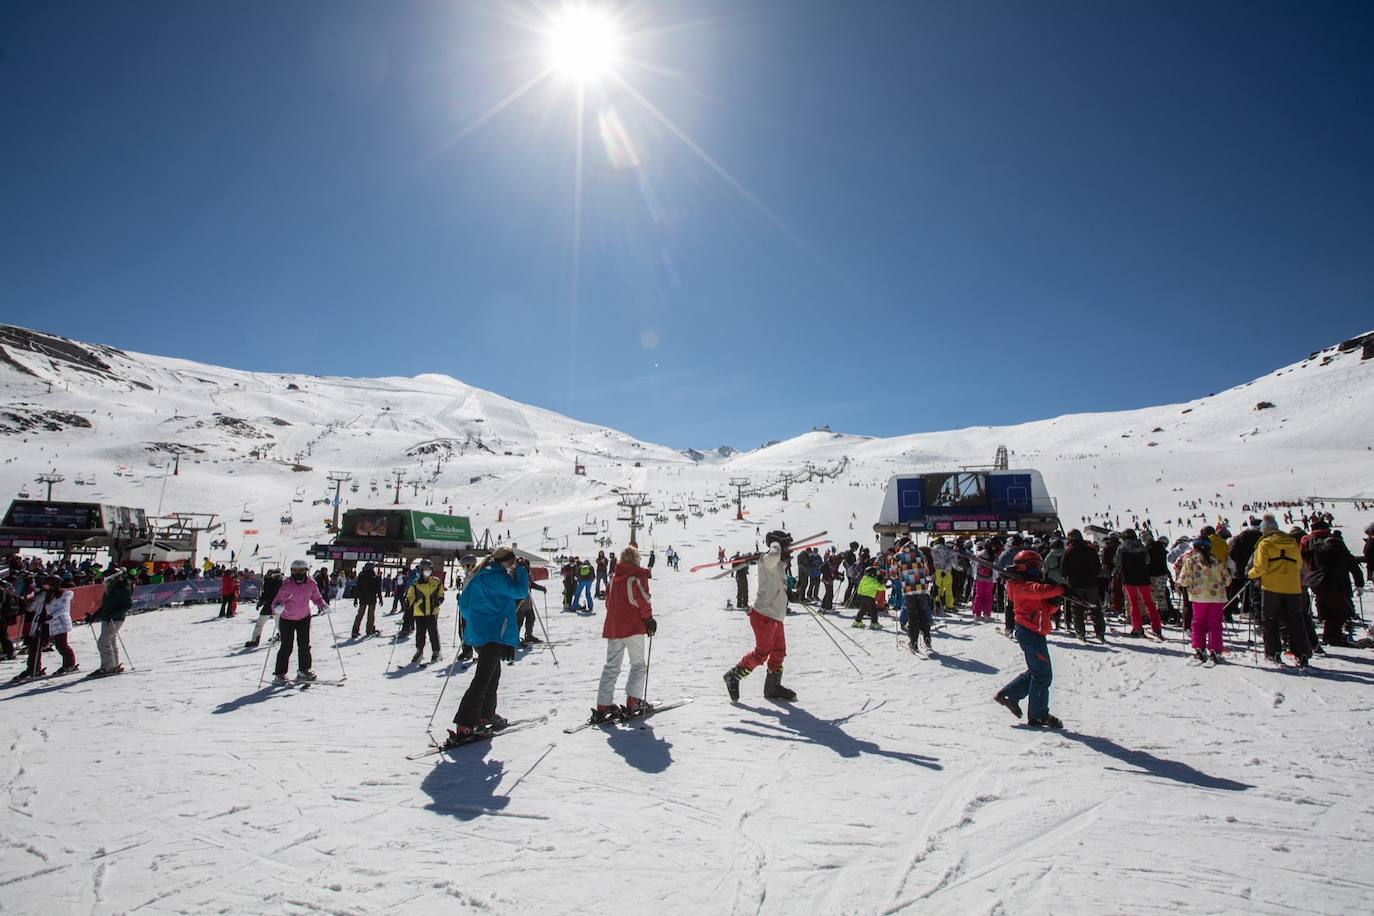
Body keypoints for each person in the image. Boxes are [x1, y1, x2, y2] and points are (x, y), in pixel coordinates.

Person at [448, 547, 529, 743]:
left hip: (478, 633)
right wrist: (522, 571)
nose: (511, 567)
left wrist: (477, 620)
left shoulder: (478, 575)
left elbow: (465, 606)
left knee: (492, 674)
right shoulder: (499, 578)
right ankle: (466, 723)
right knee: (483, 679)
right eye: (511, 564)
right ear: (505, 563)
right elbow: (521, 590)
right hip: (493, 633)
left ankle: (485, 714)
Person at [992, 551, 1064, 728]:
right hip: (1029, 632)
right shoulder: (1019, 585)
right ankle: (1038, 715)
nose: (1038, 570)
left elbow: (1043, 607)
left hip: (1035, 632)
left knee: (1037, 671)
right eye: (1034, 566)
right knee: (1042, 674)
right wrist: (1059, 587)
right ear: (1024, 566)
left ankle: (1010, 694)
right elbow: (1037, 592)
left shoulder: (1027, 584)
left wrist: (1054, 602)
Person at [724, 530, 797, 702]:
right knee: (761, 654)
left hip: (776, 617)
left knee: (779, 652)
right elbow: (773, 556)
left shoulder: (779, 566)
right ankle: (733, 676)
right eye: (786, 549)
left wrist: (790, 594)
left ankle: (772, 687)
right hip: (763, 615)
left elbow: (777, 586)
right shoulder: (766, 559)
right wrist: (776, 544)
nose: (788, 555)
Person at [591, 546, 657, 723]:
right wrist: (649, 619)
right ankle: (633, 700)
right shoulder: (637, 576)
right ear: (636, 559)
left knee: (611, 666)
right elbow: (643, 599)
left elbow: (608, 603)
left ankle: (603, 706)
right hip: (633, 627)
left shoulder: (613, 577)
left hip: (614, 627)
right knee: (638, 664)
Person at [1247, 515, 1312, 668]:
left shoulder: (1264, 543)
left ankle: (1273, 652)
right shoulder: (1291, 542)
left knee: (1270, 620)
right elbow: (1298, 565)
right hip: (1292, 587)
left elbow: (1261, 567)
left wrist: (1250, 575)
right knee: (1296, 620)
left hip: (1271, 587)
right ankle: (1301, 653)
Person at [1305, 523, 1365, 647]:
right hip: (1334, 584)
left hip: (1316, 583)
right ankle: (1334, 638)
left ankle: (1329, 636)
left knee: (1328, 611)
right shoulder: (1340, 551)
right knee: (1340, 612)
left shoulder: (1316, 548)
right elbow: (1353, 567)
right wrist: (1359, 584)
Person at [271, 559, 327, 683]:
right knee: (286, 646)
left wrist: (322, 605)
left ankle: (304, 670)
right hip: (287, 619)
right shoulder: (287, 585)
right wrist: (278, 608)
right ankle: (279, 673)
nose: (298, 573)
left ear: (306, 571)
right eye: (295, 570)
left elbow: (316, 597)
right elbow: (276, 602)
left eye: (301, 570)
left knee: (304, 645)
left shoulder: (311, 583)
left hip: (304, 617)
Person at [1175, 537, 1230, 664]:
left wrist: (1180, 583)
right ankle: (1215, 649)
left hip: (1199, 597)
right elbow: (1227, 580)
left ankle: (1199, 648)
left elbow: (1185, 580)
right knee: (1215, 623)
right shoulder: (1216, 560)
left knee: (1198, 622)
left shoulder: (1191, 561)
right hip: (1217, 597)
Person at [13, 575, 78, 682]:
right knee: (35, 645)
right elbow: (32, 606)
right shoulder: (44, 595)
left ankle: (69, 664)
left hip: (59, 623)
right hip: (45, 623)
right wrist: (23, 604)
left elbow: (63, 609)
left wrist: (50, 616)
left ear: (53, 585)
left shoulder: (63, 595)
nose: (45, 586)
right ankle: (33, 669)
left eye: (47, 584)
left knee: (61, 645)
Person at [1115, 530, 1162, 638]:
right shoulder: (1142, 547)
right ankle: (1157, 627)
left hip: (1129, 577)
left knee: (1133, 602)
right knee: (1149, 602)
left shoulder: (1122, 548)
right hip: (1143, 576)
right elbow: (1147, 561)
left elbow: (1117, 562)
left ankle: (1137, 628)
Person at [87, 569, 132, 677]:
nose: (103, 580)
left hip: (115, 619)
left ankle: (108, 666)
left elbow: (128, 605)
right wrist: (94, 616)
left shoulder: (122, 588)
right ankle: (113, 664)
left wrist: (114, 614)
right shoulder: (111, 588)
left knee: (103, 642)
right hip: (107, 618)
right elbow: (106, 605)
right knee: (110, 640)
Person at [895, 540, 933, 651]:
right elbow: (926, 571)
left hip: (908, 589)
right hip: (921, 589)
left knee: (912, 615)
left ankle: (914, 642)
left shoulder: (898, 556)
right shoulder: (920, 554)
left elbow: (893, 573)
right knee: (923, 612)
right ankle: (927, 638)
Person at [406, 560, 446, 665]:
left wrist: (439, 601)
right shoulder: (415, 583)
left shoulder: (436, 581)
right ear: (421, 570)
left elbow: (441, 593)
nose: (427, 572)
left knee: (433, 632)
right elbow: (411, 595)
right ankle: (419, 651)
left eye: (429, 569)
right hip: (419, 612)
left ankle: (436, 652)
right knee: (420, 633)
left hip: (432, 612)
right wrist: (408, 602)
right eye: (424, 570)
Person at [245, 568, 283, 648]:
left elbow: (266, 595)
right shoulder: (281, 583)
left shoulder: (270, 582)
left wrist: (260, 603)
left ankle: (255, 640)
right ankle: (284, 638)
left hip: (271, 606)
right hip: (277, 607)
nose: (275, 577)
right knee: (278, 624)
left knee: (260, 624)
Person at [351, 562, 383, 639]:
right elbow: (378, 589)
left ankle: (355, 631)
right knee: (371, 615)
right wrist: (380, 598)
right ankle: (369, 630)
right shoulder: (375, 577)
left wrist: (355, 599)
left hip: (363, 598)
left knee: (360, 615)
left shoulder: (361, 576)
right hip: (372, 598)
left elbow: (358, 588)